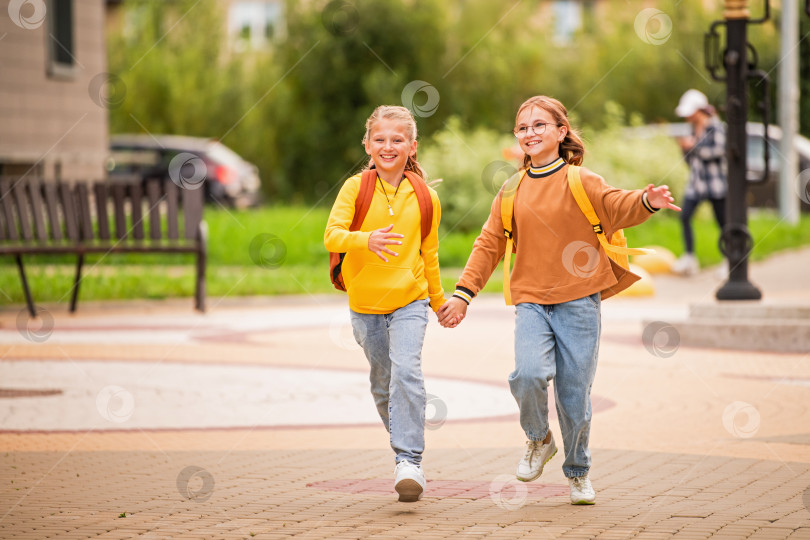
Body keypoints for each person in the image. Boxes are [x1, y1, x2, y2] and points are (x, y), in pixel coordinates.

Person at [437, 95, 680, 505]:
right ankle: (538, 438)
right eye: (523, 127)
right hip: (531, 301)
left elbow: (616, 206)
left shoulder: (580, 180)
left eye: (539, 125)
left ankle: (578, 471)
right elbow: (488, 244)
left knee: (573, 397)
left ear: (561, 132)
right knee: (527, 375)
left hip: (579, 302)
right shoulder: (511, 189)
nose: (530, 133)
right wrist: (463, 295)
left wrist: (646, 201)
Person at [324, 105, 445, 503]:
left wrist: (440, 302)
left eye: (397, 140)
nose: (388, 146)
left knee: (407, 371)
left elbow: (430, 255)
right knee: (383, 383)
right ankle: (403, 443)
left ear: (412, 146)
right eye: (380, 139)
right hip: (365, 304)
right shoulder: (354, 188)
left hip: (410, 300)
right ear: (367, 144)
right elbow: (332, 236)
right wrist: (366, 240)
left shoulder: (426, 197)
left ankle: (409, 460)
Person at [672, 89, 728, 276]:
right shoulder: (691, 130)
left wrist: (693, 146)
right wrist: (684, 150)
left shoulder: (716, 127)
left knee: (723, 223)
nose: (687, 117)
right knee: (685, 216)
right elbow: (691, 161)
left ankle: (729, 261)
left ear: (699, 110)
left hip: (716, 183)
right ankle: (689, 257)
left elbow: (718, 151)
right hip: (696, 183)